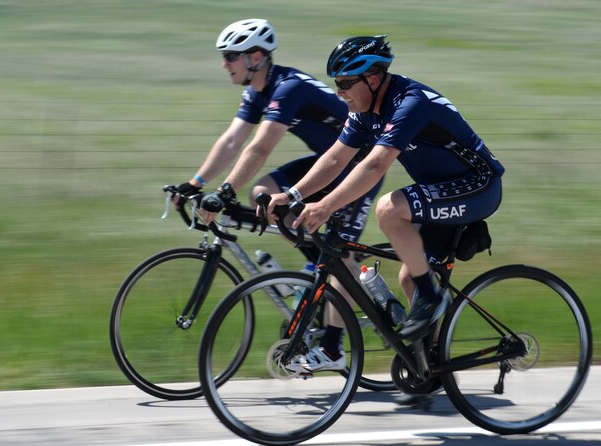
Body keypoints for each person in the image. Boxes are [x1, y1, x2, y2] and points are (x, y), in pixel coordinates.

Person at [267, 35, 504, 395]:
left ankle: (431, 297)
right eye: (337, 84)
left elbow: (376, 164)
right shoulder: (364, 112)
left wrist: (325, 205)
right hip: (440, 190)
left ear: (372, 79)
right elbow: (334, 158)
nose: (340, 92)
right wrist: (294, 193)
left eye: (346, 84)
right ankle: (429, 365)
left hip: (478, 185)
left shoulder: (409, 102)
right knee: (410, 275)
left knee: (389, 209)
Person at [171, 19, 384, 373]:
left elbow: (259, 148)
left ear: (256, 56)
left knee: (339, 254)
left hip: (360, 166)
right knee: (262, 194)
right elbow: (231, 141)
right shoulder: (257, 91)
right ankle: (313, 272)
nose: (225, 64)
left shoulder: (287, 88)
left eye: (230, 56)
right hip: (326, 163)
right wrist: (194, 184)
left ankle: (333, 345)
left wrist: (223, 192)